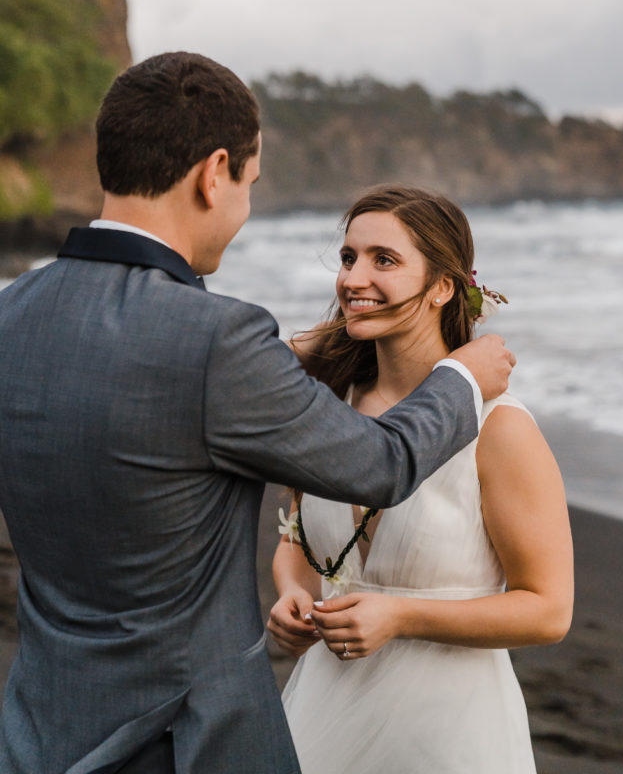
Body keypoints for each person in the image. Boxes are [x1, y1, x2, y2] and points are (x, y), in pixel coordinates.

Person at [0, 53, 515, 774]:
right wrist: (462, 377)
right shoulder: (217, 338)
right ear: (214, 173)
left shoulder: (11, 314)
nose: (242, 209)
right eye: (248, 184)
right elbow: (377, 462)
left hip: (39, 730)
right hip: (186, 744)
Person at [269, 186, 573, 773]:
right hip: (322, 714)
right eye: (349, 258)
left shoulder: (500, 430)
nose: (354, 277)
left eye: (384, 259)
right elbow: (298, 543)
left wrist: (402, 616)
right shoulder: (329, 406)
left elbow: (549, 610)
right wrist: (292, 594)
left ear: (441, 286)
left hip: (448, 733)